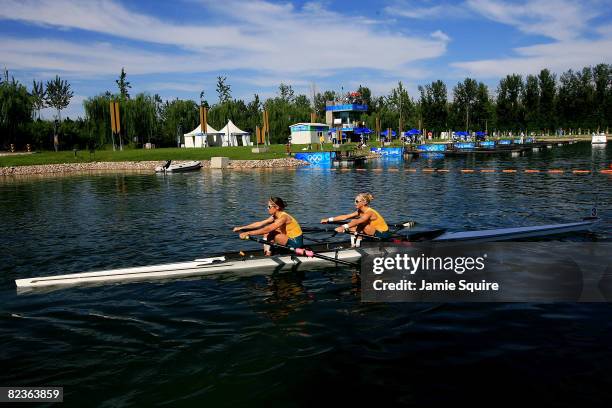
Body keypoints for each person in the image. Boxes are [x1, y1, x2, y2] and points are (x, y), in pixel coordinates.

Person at [234, 197, 304, 255]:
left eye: (269, 206)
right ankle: (268, 253)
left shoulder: (283, 218)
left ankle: (268, 254)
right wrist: (242, 228)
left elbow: (267, 229)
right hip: (288, 239)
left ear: (276, 207)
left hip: (296, 244)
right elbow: (260, 223)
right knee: (268, 233)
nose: (267, 208)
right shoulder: (275, 216)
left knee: (271, 233)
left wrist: (248, 233)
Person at [320, 193, 391, 246]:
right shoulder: (359, 211)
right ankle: (354, 245)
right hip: (373, 232)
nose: (354, 203)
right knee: (353, 223)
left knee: (357, 222)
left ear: (364, 202)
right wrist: (328, 219)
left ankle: (357, 245)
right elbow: (345, 217)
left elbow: (358, 221)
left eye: (357, 201)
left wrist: (343, 227)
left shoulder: (370, 212)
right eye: (354, 201)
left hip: (383, 234)